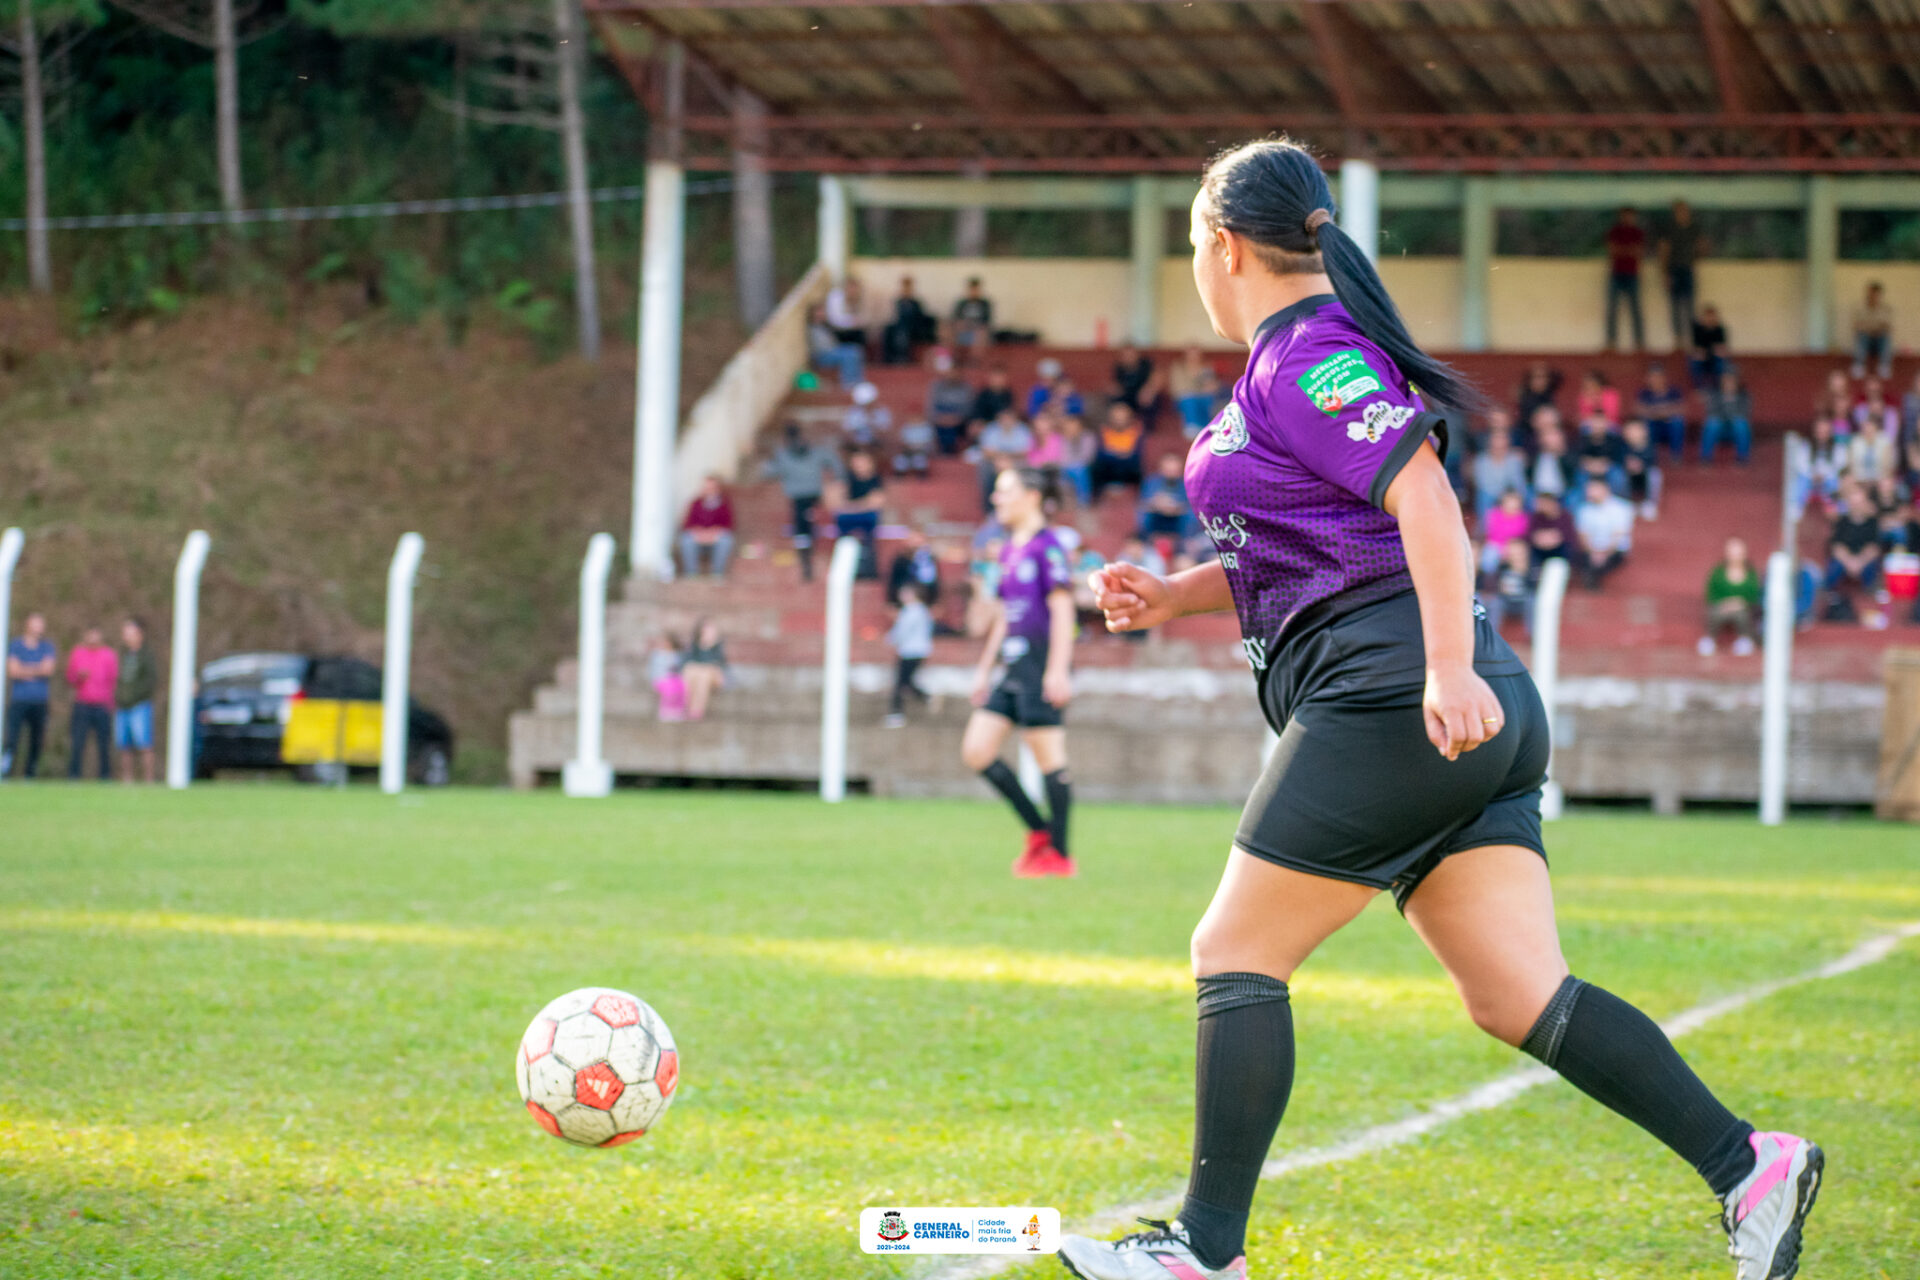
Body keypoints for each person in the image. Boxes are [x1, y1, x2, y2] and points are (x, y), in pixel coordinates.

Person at [1064, 139, 1815, 1280]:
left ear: (1222, 246)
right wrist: (1175, 595)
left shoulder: (1308, 356)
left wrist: (1445, 668)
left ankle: (1201, 1251)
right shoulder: (1291, 363)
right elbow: (1313, 540)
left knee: (1234, 947)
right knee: (1518, 992)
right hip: (1454, 702)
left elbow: (1426, 494)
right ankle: (1747, 1164)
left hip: (1401, 695)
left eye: (1191, 252)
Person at [962, 467, 1076, 879]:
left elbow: (1063, 611)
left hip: (1039, 665)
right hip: (1009, 668)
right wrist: (983, 669)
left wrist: (1058, 670)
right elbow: (1004, 618)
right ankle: (1040, 833)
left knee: (1049, 760)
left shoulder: (1049, 548)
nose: (997, 499)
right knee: (977, 750)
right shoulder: (1009, 548)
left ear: (1030, 496)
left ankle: (1060, 856)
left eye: (1004, 491)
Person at [764, 422, 845, 581]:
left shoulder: (814, 452)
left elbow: (834, 462)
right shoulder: (784, 454)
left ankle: (809, 550)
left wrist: (839, 479)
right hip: (798, 498)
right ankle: (805, 555)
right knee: (802, 527)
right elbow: (770, 472)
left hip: (814, 496)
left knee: (809, 522)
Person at [3, 611, 56, 779]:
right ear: (28, 624)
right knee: (12, 739)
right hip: (19, 700)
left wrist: (24, 670)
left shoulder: (47, 646)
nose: (39, 627)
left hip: (39, 701)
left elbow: (48, 669)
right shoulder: (16, 645)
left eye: (41, 623)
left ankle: (30, 775)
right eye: (36, 623)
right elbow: (12, 670)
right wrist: (36, 669)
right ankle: (6, 772)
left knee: (36, 740)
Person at [1823, 483, 1884, 622]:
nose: (1856, 505)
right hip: (1845, 561)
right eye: (1853, 502)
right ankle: (1829, 593)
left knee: (1872, 567)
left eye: (1859, 502)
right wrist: (1850, 562)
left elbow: (1874, 548)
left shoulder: (1872, 522)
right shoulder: (1842, 522)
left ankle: (1869, 595)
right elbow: (1837, 547)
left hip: (1865, 561)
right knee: (1834, 565)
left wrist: (1859, 562)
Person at [65, 625, 118, 781]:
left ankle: (105, 776)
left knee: (104, 745)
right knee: (78, 742)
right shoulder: (78, 653)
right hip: (82, 705)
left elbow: (113, 680)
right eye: (91, 635)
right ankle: (74, 776)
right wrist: (78, 676)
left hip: (102, 706)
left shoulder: (108, 655)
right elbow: (70, 677)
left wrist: (110, 702)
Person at [1700, 537, 1762, 656]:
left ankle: (1745, 639)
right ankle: (1710, 639)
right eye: (1732, 552)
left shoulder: (1750, 573)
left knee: (1742, 615)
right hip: (1721, 607)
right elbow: (1711, 594)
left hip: (1743, 609)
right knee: (1714, 613)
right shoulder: (1718, 572)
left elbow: (1753, 593)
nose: (1735, 556)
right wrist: (1726, 603)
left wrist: (1739, 603)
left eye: (1738, 552)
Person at [884, 584, 934, 728]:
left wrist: (889, 639)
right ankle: (927, 697)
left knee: (899, 683)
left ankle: (896, 714)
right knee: (907, 682)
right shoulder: (922, 611)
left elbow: (901, 631)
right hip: (917, 651)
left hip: (910, 652)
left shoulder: (913, 611)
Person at [115, 617, 158, 784]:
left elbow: (150, 681)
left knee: (144, 744)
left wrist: (134, 697)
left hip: (140, 705)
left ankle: (148, 780)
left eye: (130, 632)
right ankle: (127, 780)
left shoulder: (146, 655)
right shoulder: (122, 654)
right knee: (124, 746)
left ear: (140, 634)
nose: (126, 636)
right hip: (122, 706)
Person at [1574, 475, 1635, 588]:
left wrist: (1604, 553)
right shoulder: (1584, 509)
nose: (1589, 492)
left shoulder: (1622, 508)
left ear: (1605, 489)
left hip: (1614, 550)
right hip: (1591, 550)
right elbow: (1583, 535)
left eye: (1593, 489)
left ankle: (1591, 582)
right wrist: (1592, 551)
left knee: (1599, 563)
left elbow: (1619, 535)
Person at [833, 450, 887, 578]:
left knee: (868, 539)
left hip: (868, 518)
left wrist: (851, 507)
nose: (859, 465)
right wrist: (863, 504)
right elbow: (836, 503)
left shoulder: (876, 480)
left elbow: (876, 503)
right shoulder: (846, 479)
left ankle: (868, 571)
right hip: (847, 519)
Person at [1659, 200, 1704, 352]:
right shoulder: (1669, 229)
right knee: (1676, 307)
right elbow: (1664, 250)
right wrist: (1665, 273)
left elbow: (1700, 246)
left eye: (1684, 210)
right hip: (1674, 270)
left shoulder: (1694, 228)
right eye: (1679, 211)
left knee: (1690, 306)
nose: (1682, 214)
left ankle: (1693, 340)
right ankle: (1678, 341)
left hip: (1688, 269)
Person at [1603, 205, 1647, 352]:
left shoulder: (1638, 232)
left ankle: (1640, 343)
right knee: (1612, 309)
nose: (1627, 218)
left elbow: (1639, 252)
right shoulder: (1614, 231)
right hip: (1616, 273)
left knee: (1636, 310)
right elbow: (1612, 250)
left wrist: (1623, 250)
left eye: (1630, 216)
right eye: (1625, 215)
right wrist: (1629, 250)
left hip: (1632, 274)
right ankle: (1611, 342)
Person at [974, 408, 1033, 514]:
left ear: (1014, 419)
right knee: (984, 467)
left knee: (1027, 468)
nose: (1006, 421)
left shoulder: (1022, 430)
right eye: (1003, 418)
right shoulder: (991, 429)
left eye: (1009, 418)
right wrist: (1001, 459)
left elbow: (1025, 452)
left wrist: (1006, 459)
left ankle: (1019, 507)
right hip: (994, 462)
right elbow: (986, 452)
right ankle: (989, 508)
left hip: (1015, 462)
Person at [676, 474, 735, 579]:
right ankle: (691, 574)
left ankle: (717, 574)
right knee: (686, 539)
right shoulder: (696, 503)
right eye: (706, 487)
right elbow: (687, 524)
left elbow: (728, 524)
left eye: (711, 488)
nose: (709, 490)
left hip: (715, 538)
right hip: (698, 538)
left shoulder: (724, 504)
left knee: (726, 540)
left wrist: (713, 532)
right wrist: (699, 532)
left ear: (718, 489)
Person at [1470, 424, 1529, 522]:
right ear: (1490, 442)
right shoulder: (1481, 460)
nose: (1499, 443)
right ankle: (1486, 529)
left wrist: (1511, 495)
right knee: (1483, 496)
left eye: (1502, 439)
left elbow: (1518, 480)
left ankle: (1522, 528)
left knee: (1525, 494)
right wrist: (1500, 495)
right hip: (1490, 493)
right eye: (1496, 439)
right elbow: (1482, 483)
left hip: (1509, 492)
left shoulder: (1514, 459)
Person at [1090, 400, 1147, 497]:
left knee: (1136, 464)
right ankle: (1096, 500)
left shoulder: (1136, 432)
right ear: (1111, 418)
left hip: (1128, 468)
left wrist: (1120, 454)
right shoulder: (1104, 432)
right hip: (1109, 467)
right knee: (1097, 465)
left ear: (1129, 418)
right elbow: (1101, 452)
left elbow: (1136, 453)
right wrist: (1118, 454)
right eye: (1116, 418)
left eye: (1122, 418)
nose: (1119, 421)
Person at [1483, 536, 1536, 637]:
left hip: (1523, 601)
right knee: (1496, 603)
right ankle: (1492, 634)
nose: (1515, 556)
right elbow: (1495, 585)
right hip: (1506, 601)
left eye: (1518, 552)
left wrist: (1522, 571)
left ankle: (1532, 634)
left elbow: (1534, 587)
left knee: (1531, 600)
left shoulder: (1531, 568)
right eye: (1512, 552)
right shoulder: (1502, 567)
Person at [926, 352, 977, 456]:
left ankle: (949, 451)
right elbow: (930, 408)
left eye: (955, 371)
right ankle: (945, 451)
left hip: (959, 420)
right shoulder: (936, 386)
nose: (953, 374)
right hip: (940, 418)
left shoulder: (966, 388)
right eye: (951, 371)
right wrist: (941, 418)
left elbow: (969, 409)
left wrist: (956, 418)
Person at [1700, 368, 1752, 466]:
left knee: (1741, 424)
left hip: (1735, 430)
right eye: (1726, 379)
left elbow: (1745, 413)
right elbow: (1711, 412)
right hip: (1720, 429)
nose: (1729, 382)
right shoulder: (1715, 395)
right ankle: (1706, 458)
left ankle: (1742, 458)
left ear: (1737, 381)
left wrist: (1729, 407)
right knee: (1712, 423)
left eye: (1731, 380)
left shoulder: (1744, 395)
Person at [1634, 364, 1687, 460]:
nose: (1655, 379)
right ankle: (1649, 455)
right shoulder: (1643, 392)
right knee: (1644, 422)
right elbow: (1639, 410)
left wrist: (1655, 411)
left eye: (1658, 376)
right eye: (1652, 376)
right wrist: (1664, 411)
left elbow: (1681, 409)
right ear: (1647, 378)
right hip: (1653, 426)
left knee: (1677, 421)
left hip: (1669, 426)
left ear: (1664, 377)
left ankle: (1676, 456)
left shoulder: (1674, 391)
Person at [1138, 452, 1193, 542]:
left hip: (1178, 519)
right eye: (1168, 470)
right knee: (1143, 513)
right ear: (1161, 469)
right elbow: (1144, 502)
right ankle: (1147, 541)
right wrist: (1157, 504)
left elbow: (1189, 505)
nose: (1171, 473)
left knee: (1190, 515)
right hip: (1156, 517)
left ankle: (1185, 542)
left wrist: (1176, 508)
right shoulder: (1152, 482)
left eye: (1174, 471)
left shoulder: (1186, 484)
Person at [806, 302, 863, 388]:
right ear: (813, 314)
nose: (821, 314)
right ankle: (848, 382)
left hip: (832, 351)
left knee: (855, 349)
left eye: (822, 311)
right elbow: (821, 348)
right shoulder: (812, 328)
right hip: (822, 356)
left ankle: (857, 380)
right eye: (819, 312)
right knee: (848, 355)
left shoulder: (825, 326)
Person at [882, 274, 936, 364]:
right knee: (889, 330)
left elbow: (920, 317)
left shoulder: (916, 303)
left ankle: (903, 356)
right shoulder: (898, 302)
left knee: (903, 331)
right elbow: (894, 317)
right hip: (900, 327)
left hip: (913, 328)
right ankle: (889, 358)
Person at [679, 619, 727, 721]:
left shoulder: (717, 647)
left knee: (703, 673)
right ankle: (687, 707)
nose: (709, 633)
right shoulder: (694, 646)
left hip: (714, 677)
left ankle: (696, 710)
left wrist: (708, 646)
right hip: (696, 675)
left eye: (711, 631)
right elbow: (687, 661)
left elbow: (718, 664)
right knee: (691, 669)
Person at [885, 526, 941, 612]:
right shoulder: (901, 560)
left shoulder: (929, 559)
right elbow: (894, 581)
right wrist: (892, 603)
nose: (916, 542)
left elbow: (934, 582)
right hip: (905, 602)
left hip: (925, 602)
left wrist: (936, 602)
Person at [1169, 346, 1221, 437]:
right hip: (1184, 399)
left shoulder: (1206, 367)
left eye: (1197, 354)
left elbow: (1211, 386)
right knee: (1189, 399)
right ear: (1185, 355)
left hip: (1203, 398)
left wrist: (1208, 387)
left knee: (1209, 399)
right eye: (1191, 354)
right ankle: (1192, 429)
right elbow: (1179, 388)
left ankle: (1206, 428)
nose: (1194, 357)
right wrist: (1199, 390)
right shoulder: (1178, 367)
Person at [1479, 488, 1531, 577]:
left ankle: (1519, 577)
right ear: (1503, 503)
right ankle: (1488, 578)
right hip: (1495, 544)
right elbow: (1492, 534)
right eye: (1509, 502)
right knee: (1489, 556)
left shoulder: (1523, 517)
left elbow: (1521, 535)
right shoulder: (1494, 514)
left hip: (1513, 545)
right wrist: (1503, 548)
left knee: (1519, 553)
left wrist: (1510, 547)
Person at [1111, 344, 1162, 432]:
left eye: (1131, 355)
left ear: (1136, 354)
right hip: (1127, 396)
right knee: (1117, 402)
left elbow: (1158, 377)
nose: (1128, 357)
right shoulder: (1119, 368)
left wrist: (1149, 389)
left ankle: (1147, 431)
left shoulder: (1146, 364)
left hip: (1145, 394)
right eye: (1125, 355)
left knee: (1150, 402)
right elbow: (1116, 385)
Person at [1618, 418, 1662, 519]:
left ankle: (1649, 504)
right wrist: (1628, 466)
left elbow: (1652, 462)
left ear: (1644, 432)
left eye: (1636, 430)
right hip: (1628, 478)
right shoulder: (1621, 446)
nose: (1633, 434)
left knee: (1655, 474)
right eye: (1630, 431)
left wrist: (1641, 467)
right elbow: (1618, 460)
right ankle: (1626, 503)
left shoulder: (1650, 446)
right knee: (1618, 474)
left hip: (1644, 478)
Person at [1851, 281, 1894, 381]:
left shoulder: (1885, 309)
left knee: (1885, 336)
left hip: (1879, 340)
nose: (1872, 296)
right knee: (1862, 335)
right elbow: (1856, 326)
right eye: (1870, 293)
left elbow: (1888, 327)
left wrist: (1870, 327)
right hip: (1865, 339)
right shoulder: (1860, 308)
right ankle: (1859, 365)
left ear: (1879, 295)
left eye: (1875, 294)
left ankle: (1884, 366)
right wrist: (1874, 327)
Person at [1527, 490, 1576, 566]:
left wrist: (1553, 539)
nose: (1538, 506)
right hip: (1540, 552)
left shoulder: (1565, 517)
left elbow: (1568, 538)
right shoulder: (1537, 517)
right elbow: (1531, 535)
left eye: (1541, 503)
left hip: (1560, 553)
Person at [647, 631, 687, 722]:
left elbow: (679, 669)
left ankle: (678, 711)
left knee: (680, 685)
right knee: (668, 686)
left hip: (674, 679)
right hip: (660, 679)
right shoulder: (657, 655)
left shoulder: (677, 655)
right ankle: (665, 710)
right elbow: (653, 671)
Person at [950, 277, 994, 359]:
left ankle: (975, 359)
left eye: (976, 289)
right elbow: (955, 319)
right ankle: (955, 358)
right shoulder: (961, 303)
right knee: (949, 329)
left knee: (980, 333)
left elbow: (986, 321)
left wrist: (974, 325)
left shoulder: (985, 304)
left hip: (978, 329)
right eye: (972, 289)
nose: (974, 292)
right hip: (963, 328)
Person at [1058, 414, 1096, 508]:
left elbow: (1087, 458)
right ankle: (1065, 502)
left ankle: (1083, 501)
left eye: (1074, 424)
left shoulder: (1088, 437)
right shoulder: (1062, 439)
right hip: (1066, 467)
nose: (1071, 427)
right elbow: (1062, 458)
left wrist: (1073, 464)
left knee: (1079, 470)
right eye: (1068, 425)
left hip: (1085, 468)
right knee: (1061, 472)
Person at [843, 381, 892, 450]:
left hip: (875, 444)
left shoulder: (882, 412)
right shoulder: (853, 412)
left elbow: (885, 433)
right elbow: (847, 431)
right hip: (856, 444)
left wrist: (872, 422)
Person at [823, 274, 868, 350]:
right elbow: (835, 319)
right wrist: (852, 322)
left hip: (847, 328)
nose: (854, 291)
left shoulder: (852, 298)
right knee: (858, 334)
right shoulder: (836, 297)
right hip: (836, 330)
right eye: (852, 287)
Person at [1690, 303, 1729, 388]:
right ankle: (1699, 388)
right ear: (1703, 317)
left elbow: (1722, 349)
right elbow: (1697, 349)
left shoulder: (1719, 329)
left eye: (1712, 316)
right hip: (1702, 357)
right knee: (1694, 361)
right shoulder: (1697, 329)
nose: (1709, 319)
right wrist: (1703, 352)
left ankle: (1719, 388)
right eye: (1707, 316)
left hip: (1715, 358)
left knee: (1722, 362)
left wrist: (1711, 351)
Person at [969, 365, 1015, 430]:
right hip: (986, 425)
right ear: (990, 378)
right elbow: (977, 414)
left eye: (1000, 377)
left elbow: (1010, 412)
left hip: (1003, 424)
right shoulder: (983, 394)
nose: (998, 380)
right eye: (995, 377)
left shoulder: (1008, 394)